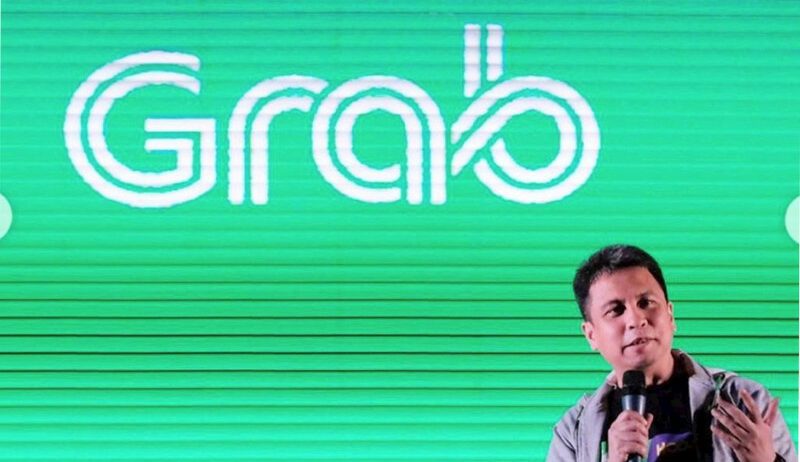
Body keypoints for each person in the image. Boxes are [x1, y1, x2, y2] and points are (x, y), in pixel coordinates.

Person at [547, 244, 796, 462]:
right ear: (591, 335)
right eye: (616, 310)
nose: (635, 320)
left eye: (646, 303)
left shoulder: (743, 402)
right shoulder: (575, 431)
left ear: (670, 315)